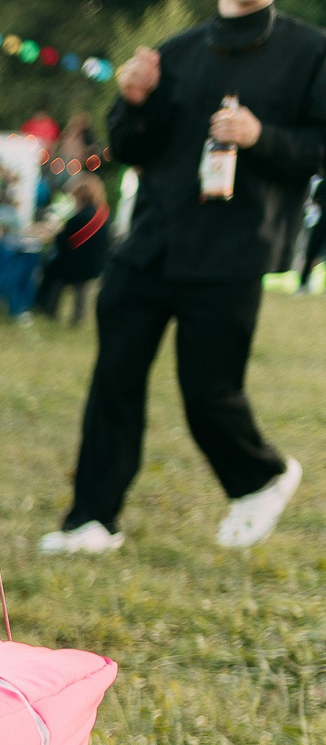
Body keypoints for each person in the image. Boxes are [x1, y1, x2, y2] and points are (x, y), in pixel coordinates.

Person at [41, 0, 326, 556]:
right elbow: (129, 147)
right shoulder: (176, 52)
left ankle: (260, 476)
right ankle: (92, 520)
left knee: (208, 392)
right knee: (114, 380)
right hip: (151, 242)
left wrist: (258, 135)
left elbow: (318, 150)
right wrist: (132, 100)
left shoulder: (311, 52)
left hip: (233, 250)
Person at [35, 173, 114, 324]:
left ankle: (46, 308)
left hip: (74, 266)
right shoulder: (103, 215)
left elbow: (63, 243)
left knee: (51, 268)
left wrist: (55, 232)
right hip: (95, 265)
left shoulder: (79, 217)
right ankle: (78, 317)